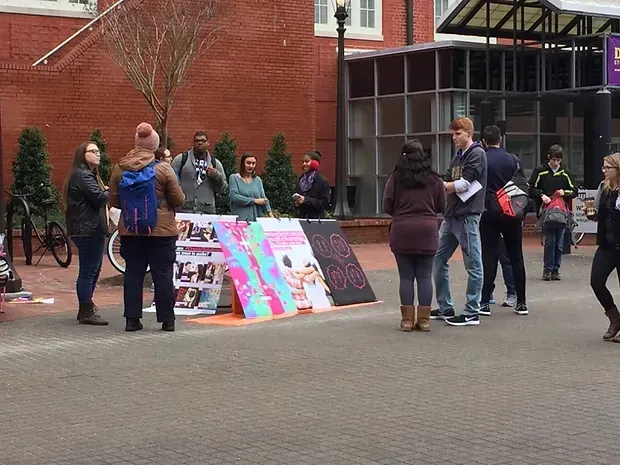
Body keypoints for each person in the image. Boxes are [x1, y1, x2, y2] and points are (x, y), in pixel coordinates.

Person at [108, 123, 185, 332]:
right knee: (163, 274)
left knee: (133, 274)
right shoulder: (163, 168)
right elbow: (178, 199)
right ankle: (167, 320)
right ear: (154, 145)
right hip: (162, 231)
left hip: (131, 230)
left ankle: (132, 320)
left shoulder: (120, 167)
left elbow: (113, 200)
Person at [382, 140, 445, 332]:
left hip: (402, 229)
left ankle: (407, 320)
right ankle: (424, 320)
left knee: (406, 277)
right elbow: (442, 206)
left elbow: (387, 205)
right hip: (427, 229)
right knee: (425, 276)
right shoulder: (435, 179)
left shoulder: (395, 177)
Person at [431, 117, 487, 327]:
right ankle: (445, 306)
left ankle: (472, 311)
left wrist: (444, 185)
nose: (454, 137)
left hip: (467, 216)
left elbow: (464, 184)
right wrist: (447, 184)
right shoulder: (458, 156)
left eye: (458, 134)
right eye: (453, 134)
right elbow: (451, 181)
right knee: (438, 258)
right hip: (452, 214)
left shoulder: (477, 154)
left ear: (468, 133)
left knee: (473, 263)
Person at [479, 125, 528, 317]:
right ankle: (521, 302)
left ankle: (484, 302)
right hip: (511, 211)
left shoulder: (482, 159)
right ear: (500, 139)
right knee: (516, 257)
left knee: (489, 256)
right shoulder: (513, 160)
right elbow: (522, 185)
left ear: (484, 141)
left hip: (489, 211)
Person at [63, 142, 110, 325]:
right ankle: (85, 311)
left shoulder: (86, 174)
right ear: (83, 154)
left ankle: (86, 306)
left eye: (98, 151)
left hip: (89, 228)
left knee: (93, 269)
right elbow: (99, 198)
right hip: (88, 229)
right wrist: (111, 190)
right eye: (93, 151)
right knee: (88, 271)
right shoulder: (83, 174)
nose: (98, 154)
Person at [529, 144, 577, 281]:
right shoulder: (540, 171)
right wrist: (541, 195)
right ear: (549, 157)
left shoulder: (565, 172)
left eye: (558, 160)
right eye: (554, 160)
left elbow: (574, 191)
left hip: (561, 211)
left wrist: (564, 192)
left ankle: (556, 269)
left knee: (559, 242)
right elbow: (531, 189)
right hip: (546, 210)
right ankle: (548, 269)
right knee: (550, 240)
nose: (556, 163)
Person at [587, 153, 620, 343]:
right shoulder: (604, 187)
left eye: (608, 167)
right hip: (607, 244)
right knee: (596, 281)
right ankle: (614, 317)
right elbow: (600, 213)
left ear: (618, 169)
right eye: (603, 167)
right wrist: (591, 214)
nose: (604, 171)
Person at [171, 131, 228, 213]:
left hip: (207, 212)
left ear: (208, 143)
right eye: (197, 141)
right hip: (184, 210)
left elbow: (224, 189)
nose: (200, 143)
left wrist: (217, 176)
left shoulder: (215, 163)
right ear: (193, 143)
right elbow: (171, 182)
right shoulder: (181, 159)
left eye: (203, 141)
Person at [229, 153, 273, 221]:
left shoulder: (257, 180)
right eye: (248, 163)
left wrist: (271, 215)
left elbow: (263, 199)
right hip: (241, 219)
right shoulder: (234, 178)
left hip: (257, 219)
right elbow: (234, 197)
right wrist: (254, 201)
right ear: (243, 164)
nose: (251, 166)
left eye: (253, 163)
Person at [294, 151, 331, 219]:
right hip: (302, 218)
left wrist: (305, 200)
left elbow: (324, 203)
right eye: (303, 162)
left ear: (315, 163)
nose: (304, 164)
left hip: (317, 220)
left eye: (307, 161)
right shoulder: (300, 179)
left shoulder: (322, 181)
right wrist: (296, 204)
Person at [489, 236, 517, 308]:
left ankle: (512, 293)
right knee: (489, 262)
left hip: (503, 233)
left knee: (506, 261)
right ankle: (487, 292)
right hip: (487, 232)